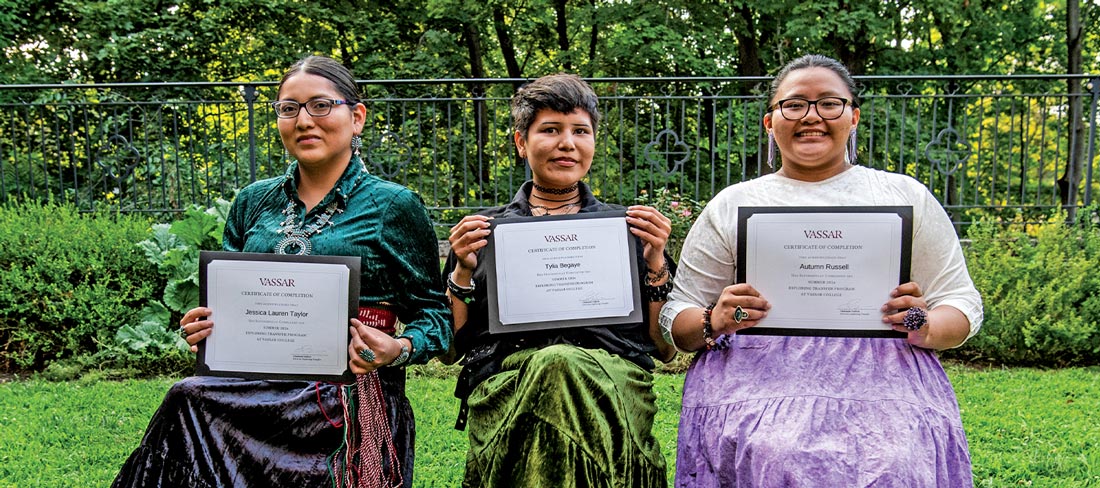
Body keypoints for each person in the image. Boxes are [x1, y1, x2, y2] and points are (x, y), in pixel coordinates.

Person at [112, 55, 451, 488]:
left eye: (321, 106)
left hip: (342, 392)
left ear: (357, 117)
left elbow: (435, 317)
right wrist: (204, 325)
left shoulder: (393, 206)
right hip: (253, 383)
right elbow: (225, 299)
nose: (304, 120)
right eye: (289, 108)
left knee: (193, 396)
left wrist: (397, 347)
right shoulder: (253, 201)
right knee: (187, 397)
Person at [661, 54, 983, 487]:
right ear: (770, 122)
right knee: (775, 453)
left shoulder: (903, 195)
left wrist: (924, 325)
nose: (811, 117)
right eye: (794, 105)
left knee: (894, 460)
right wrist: (716, 319)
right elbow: (678, 318)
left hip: (883, 377)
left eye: (829, 103)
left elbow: (961, 303)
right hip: (755, 376)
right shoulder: (732, 205)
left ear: (853, 117)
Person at [444, 73, 677, 487]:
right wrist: (462, 270)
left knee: (561, 364)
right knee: (553, 365)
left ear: (593, 143)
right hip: (506, 380)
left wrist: (655, 261)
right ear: (521, 143)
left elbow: (664, 349)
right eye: (550, 130)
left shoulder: (628, 232)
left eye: (580, 131)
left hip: (611, 380)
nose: (566, 143)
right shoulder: (486, 233)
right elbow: (450, 352)